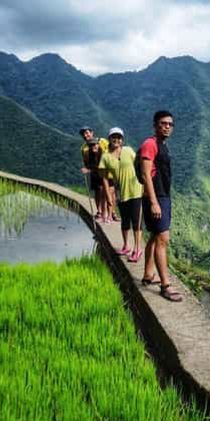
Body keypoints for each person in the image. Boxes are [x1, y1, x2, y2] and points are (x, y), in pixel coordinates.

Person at [139, 111, 181, 302]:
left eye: (170, 124)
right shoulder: (150, 144)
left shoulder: (163, 145)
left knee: (156, 237)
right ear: (155, 125)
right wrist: (154, 202)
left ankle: (148, 274)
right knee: (163, 239)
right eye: (163, 123)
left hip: (163, 196)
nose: (167, 127)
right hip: (155, 198)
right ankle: (165, 285)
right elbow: (146, 174)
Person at [99, 127, 143, 262]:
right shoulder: (105, 157)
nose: (116, 139)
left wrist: (146, 184)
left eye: (119, 137)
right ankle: (126, 246)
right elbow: (104, 178)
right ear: (109, 139)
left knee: (136, 222)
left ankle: (137, 249)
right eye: (114, 137)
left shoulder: (128, 151)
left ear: (122, 140)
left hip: (136, 191)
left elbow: (140, 165)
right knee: (124, 221)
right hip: (121, 193)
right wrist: (107, 195)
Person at [79, 126, 110, 222]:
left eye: (87, 133)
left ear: (92, 133)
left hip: (106, 170)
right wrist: (87, 168)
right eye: (83, 134)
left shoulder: (103, 141)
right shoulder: (83, 148)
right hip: (94, 172)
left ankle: (111, 213)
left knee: (109, 191)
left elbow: (110, 153)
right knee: (98, 191)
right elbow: (86, 161)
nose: (86, 135)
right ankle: (100, 212)